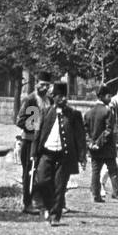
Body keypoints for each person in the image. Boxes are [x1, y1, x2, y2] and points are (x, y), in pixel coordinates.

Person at [31, 82, 86, 225]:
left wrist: (82, 156)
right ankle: (49, 207)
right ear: (53, 97)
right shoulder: (43, 112)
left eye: (64, 96)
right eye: (59, 97)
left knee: (60, 186)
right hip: (46, 154)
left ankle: (55, 216)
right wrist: (33, 153)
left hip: (64, 156)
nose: (63, 99)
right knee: (42, 182)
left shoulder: (74, 114)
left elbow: (80, 137)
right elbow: (37, 135)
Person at [85, 83, 118, 203]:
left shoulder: (88, 113)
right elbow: (109, 130)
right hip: (107, 149)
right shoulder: (107, 112)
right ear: (102, 96)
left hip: (94, 149)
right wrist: (99, 142)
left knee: (95, 172)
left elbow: (85, 131)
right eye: (108, 96)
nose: (110, 98)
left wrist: (91, 143)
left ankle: (96, 195)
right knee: (114, 171)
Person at [15, 77, 51, 215]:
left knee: (43, 172)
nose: (45, 88)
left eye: (47, 85)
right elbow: (21, 121)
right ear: (36, 84)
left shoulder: (49, 100)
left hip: (45, 142)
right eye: (42, 85)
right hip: (30, 141)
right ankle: (27, 203)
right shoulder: (31, 100)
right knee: (28, 173)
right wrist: (35, 127)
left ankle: (40, 200)